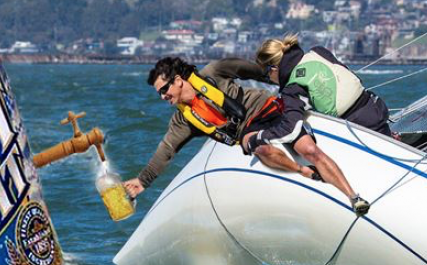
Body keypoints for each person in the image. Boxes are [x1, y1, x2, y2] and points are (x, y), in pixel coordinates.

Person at [124, 56, 322, 199]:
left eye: (164, 89)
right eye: (159, 93)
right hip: (250, 134)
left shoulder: (213, 72)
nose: (163, 96)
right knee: (259, 148)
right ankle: (303, 171)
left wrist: (281, 78)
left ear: (177, 80)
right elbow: (166, 150)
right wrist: (143, 181)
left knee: (298, 131)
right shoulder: (183, 120)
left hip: (268, 108)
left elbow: (250, 69)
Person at [247, 34, 396, 214]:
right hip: (376, 108)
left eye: (266, 74)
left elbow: (290, 129)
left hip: (359, 129)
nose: (269, 79)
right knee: (391, 148)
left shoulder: (292, 88)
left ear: (274, 68)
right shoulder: (318, 51)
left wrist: (260, 137)